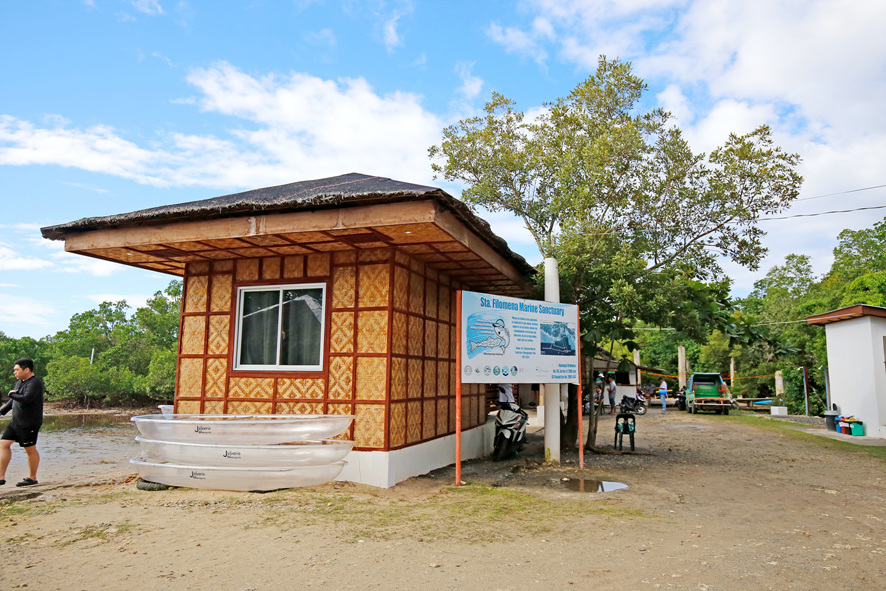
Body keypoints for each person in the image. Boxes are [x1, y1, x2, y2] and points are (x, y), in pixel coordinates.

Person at [0, 358, 45, 487]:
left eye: (17, 370)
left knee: (30, 449)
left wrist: (11, 395)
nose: (14, 372)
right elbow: (13, 401)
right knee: (3, 444)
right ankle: (1, 477)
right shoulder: (20, 382)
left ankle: (32, 478)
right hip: (16, 422)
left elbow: (26, 399)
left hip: (29, 423)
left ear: (26, 370)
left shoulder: (34, 383)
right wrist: (1, 412)